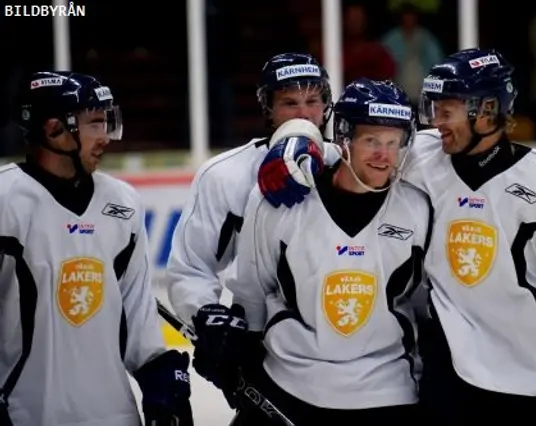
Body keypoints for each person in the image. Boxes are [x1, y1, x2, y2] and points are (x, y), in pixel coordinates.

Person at [253, 48, 536, 426]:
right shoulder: (419, 156)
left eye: (447, 111)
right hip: (453, 378)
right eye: (434, 109)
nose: (437, 122)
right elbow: (355, 147)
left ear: (486, 112)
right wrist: (296, 140)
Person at [222, 78, 431, 425]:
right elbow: (252, 290)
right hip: (289, 384)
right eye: (372, 141)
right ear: (345, 138)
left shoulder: (418, 209)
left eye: (393, 143)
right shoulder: (281, 202)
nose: (384, 155)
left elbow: (423, 303)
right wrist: (241, 359)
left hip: (388, 392)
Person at [0, 71, 192, 426]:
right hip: (28, 414)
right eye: (94, 124)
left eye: (107, 123)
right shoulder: (6, 200)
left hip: (114, 415)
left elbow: (135, 308)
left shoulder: (122, 202)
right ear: (54, 129)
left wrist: (158, 374)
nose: (105, 138)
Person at [165, 52, 333, 406]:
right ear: (267, 109)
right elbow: (190, 268)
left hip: (346, 350)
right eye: (289, 103)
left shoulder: (347, 167)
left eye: (312, 101)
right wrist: (206, 315)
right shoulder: (225, 175)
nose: (303, 114)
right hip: (262, 349)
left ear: (326, 107)